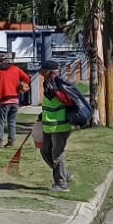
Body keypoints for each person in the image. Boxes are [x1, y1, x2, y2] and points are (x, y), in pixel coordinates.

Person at [39, 59, 72, 191]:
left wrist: (56, 93)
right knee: (45, 151)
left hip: (60, 126)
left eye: (43, 72)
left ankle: (61, 184)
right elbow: (49, 103)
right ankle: (65, 175)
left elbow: (69, 101)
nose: (41, 75)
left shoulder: (61, 84)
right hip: (48, 125)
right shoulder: (47, 84)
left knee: (57, 154)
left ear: (50, 72)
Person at [0, 52, 31, 148]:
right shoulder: (16, 69)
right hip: (15, 100)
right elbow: (27, 79)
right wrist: (20, 85)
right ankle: (11, 141)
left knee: (0, 122)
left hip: (3, 101)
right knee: (12, 122)